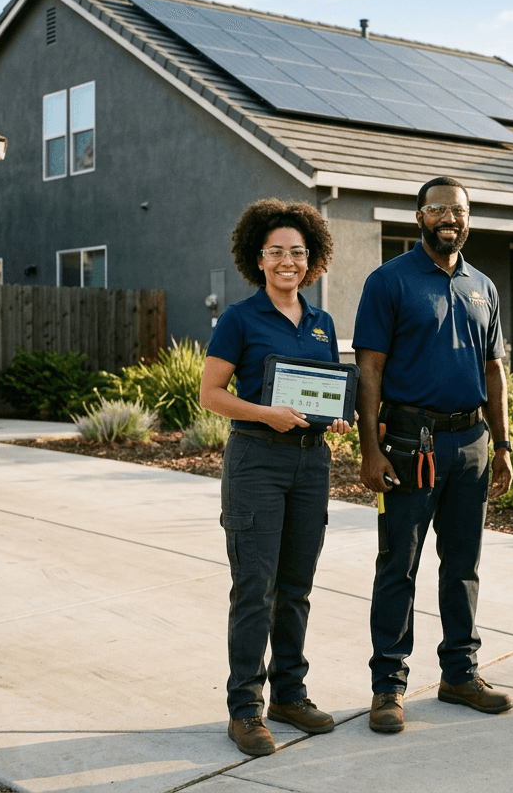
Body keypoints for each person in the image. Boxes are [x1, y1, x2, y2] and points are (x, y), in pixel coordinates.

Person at [354, 176, 513, 734]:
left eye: (460, 211)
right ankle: (388, 686)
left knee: (463, 565)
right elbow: (369, 368)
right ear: (420, 216)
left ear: (469, 219)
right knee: (398, 563)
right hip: (408, 444)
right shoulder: (388, 281)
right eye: (440, 209)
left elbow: (494, 370)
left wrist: (503, 443)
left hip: (470, 443)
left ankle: (460, 674)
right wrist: (369, 449)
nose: (451, 218)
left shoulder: (483, 287)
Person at [200, 198, 351, 757]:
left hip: (311, 462)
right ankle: (246, 709)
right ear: (258, 258)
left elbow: (325, 389)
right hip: (257, 461)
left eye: (298, 252)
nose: (288, 261)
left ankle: (291, 693)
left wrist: (333, 416)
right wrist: (267, 413)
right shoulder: (240, 319)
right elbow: (211, 394)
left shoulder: (321, 322)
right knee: (254, 590)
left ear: (312, 260)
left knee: (296, 588)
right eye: (277, 252)